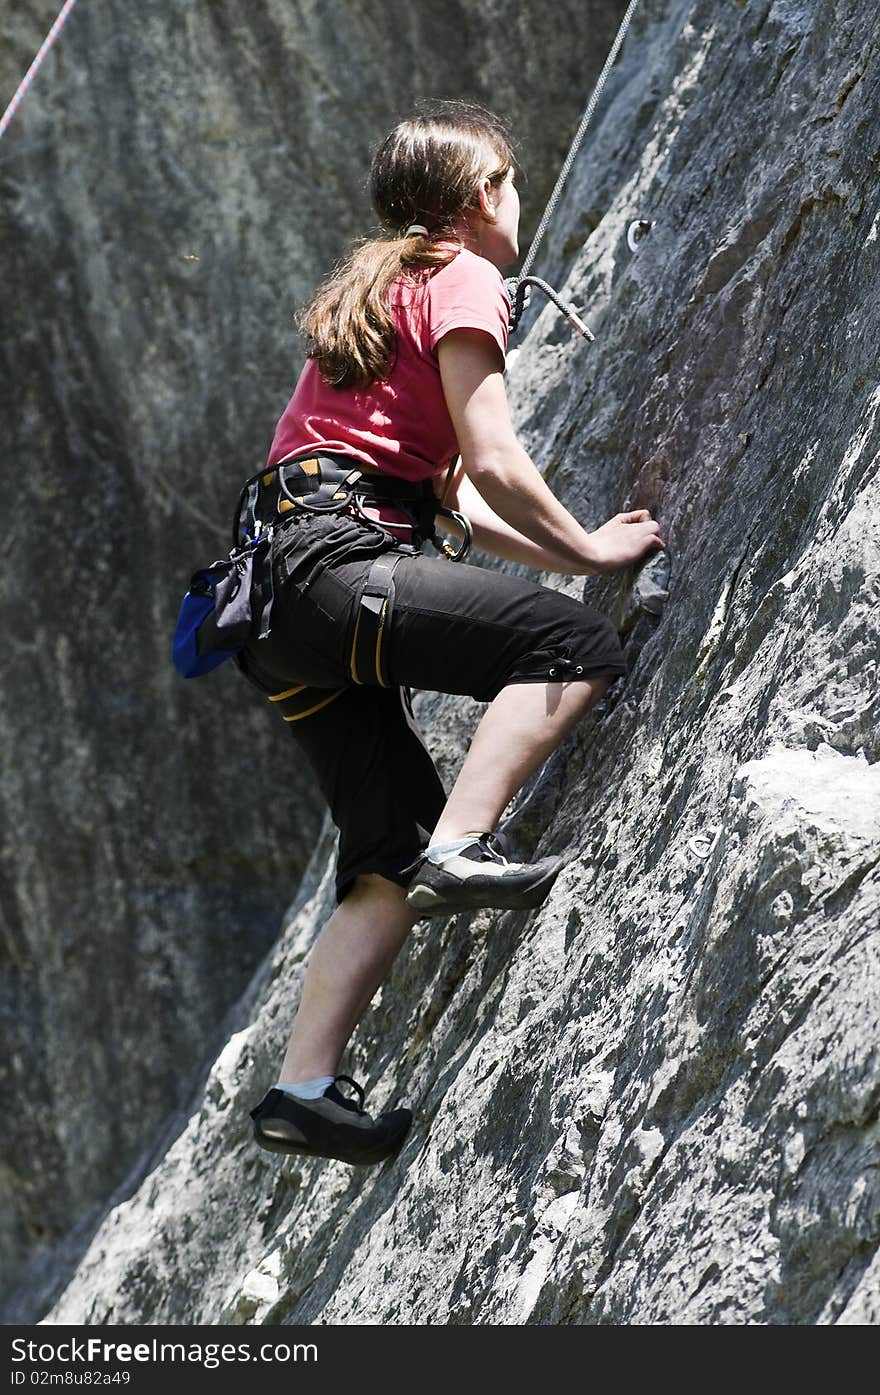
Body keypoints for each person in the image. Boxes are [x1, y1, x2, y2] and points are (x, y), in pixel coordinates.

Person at [242, 101, 664, 1167]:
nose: (515, 202)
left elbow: (453, 505)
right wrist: (587, 556)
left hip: (276, 601)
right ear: (481, 199)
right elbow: (494, 459)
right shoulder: (464, 270)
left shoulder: (377, 294)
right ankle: (462, 850)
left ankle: (303, 1087)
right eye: (510, 184)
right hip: (337, 566)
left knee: (382, 850)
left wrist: (558, 547)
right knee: (572, 648)